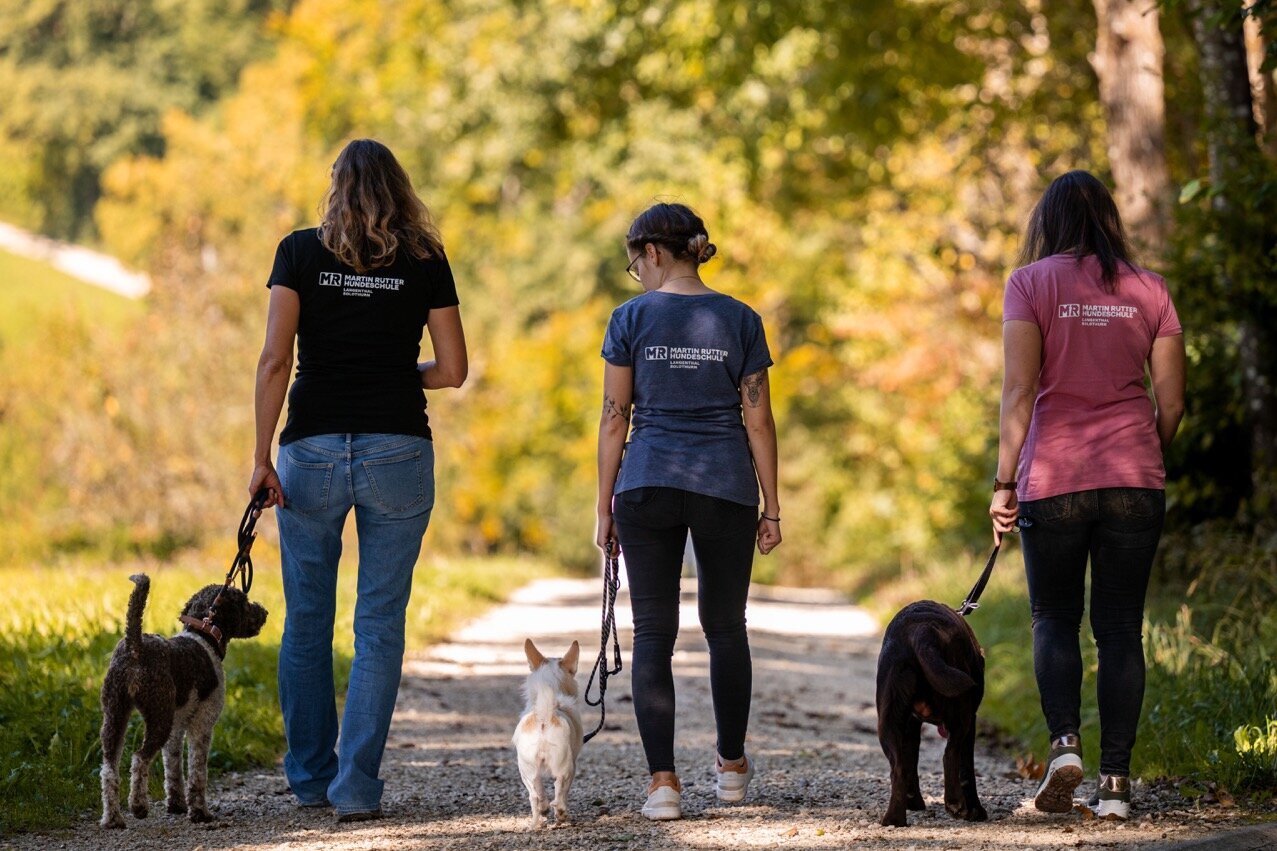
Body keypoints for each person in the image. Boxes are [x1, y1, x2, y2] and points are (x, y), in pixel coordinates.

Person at [248, 139, 468, 822]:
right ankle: (355, 789)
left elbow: (274, 358)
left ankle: (311, 778)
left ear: (336, 187)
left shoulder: (299, 252)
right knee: (378, 623)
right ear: (400, 189)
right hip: (398, 448)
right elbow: (454, 369)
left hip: (309, 448)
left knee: (307, 619)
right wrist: (399, 375)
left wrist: (261, 458)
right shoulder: (425, 261)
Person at [989, 171, 1186, 821]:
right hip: (1133, 477)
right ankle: (1115, 786)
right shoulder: (1149, 287)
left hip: (1055, 476)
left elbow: (1018, 392)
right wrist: (1145, 452)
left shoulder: (1030, 283)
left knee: (1052, 617)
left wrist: (1003, 480)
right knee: (1120, 628)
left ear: (1046, 221)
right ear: (1108, 218)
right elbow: (1174, 400)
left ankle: (1065, 743)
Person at [596, 202, 782, 821]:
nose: (636, 274)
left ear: (652, 252)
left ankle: (663, 786)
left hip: (646, 482)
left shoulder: (629, 319)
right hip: (725, 483)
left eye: (634, 262)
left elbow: (614, 418)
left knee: (654, 632)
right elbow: (758, 418)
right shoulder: (740, 319)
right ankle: (731, 769)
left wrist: (605, 506)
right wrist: (773, 506)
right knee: (726, 627)